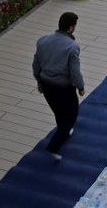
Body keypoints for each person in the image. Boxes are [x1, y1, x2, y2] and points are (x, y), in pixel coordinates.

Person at [33, 12, 86, 161]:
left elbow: (36, 64)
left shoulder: (43, 41)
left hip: (47, 87)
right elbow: (74, 71)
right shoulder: (72, 46)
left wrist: (39, 80)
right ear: (70, 28)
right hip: (63, 88)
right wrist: (80, 87)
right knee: (71, 114)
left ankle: (64, 131)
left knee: (58, 112)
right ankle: (53, 147)